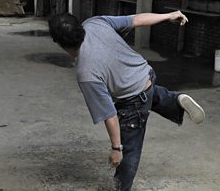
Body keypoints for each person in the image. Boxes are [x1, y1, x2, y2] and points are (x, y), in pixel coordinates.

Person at [48, 11, 205, 190]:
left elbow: (109, 114)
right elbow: (137, 19)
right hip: (145, 72)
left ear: (59, 43)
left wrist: (116, 148)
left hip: (132, 97)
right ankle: (176, 100)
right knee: (147, 95)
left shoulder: (86, 73)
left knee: (129, 151)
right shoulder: (95, 23)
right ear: (79, 25)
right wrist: (168, 16)